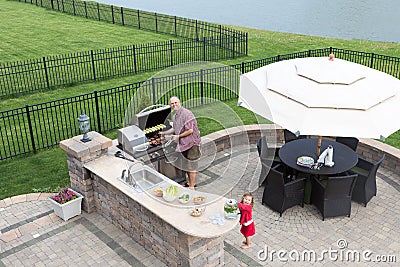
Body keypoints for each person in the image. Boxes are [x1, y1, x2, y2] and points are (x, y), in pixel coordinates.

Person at [160, 96, 201, 189]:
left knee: (191, 166)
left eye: (175, 102)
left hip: (192, 143)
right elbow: (175, 128)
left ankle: (191, 187)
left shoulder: (187, 114)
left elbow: (190, 130)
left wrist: (178, 136)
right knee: (186, 165)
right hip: (183, 144)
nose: (174, 105)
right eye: (172, 103)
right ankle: (188, 183)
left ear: (179, 103)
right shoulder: (175, 116)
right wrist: (163, 133)